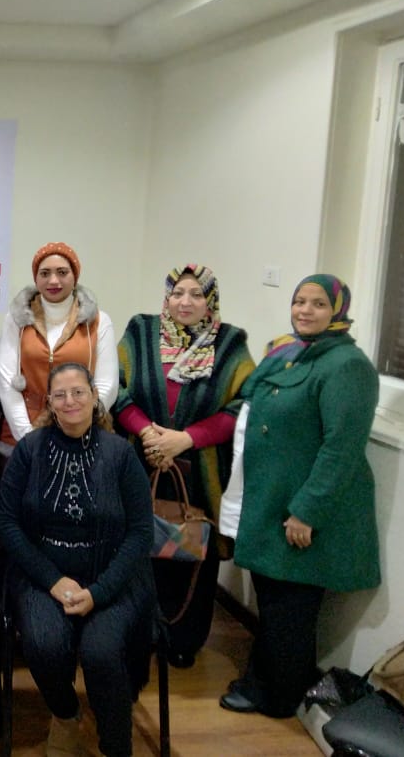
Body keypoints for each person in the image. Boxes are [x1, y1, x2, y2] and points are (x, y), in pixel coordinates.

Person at [218, 275, 380, 719]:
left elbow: (342, 448)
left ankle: (277, 697)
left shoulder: (347, 366)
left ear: (338, 311)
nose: (305, 310)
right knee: (275, 602)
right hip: (272, 501)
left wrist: (307, 511)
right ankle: (267, 682)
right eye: (299, 301)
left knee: (289, 608)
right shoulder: (289, 352)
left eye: (318, 304)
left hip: (303, 510)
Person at [0, 363, 154, 757]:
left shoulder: (121, 454)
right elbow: (7, 522)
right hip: (43, 576)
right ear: (49, 402)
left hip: (111, 577)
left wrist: (98, 592)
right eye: (60, 394)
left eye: (79, 392)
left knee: (102, 651)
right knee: (43, 644)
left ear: (95, 396)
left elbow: (140, 533)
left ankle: (116, 745)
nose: (70, 401)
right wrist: (52, 580)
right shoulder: (29, 450)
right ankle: (66, 715)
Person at [113, 264, 254, 667]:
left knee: (192, 549)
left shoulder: (230, 344)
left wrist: (186, 439)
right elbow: (115, 388)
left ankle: (183, 639)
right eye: (177, 293)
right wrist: (147, 433)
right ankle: (137, 631)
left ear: (210, 300)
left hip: (201, 468)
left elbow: (244, 403)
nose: (185, 302)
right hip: (142, 458)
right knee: (137, 545)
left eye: (196, 294)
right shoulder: (141, 333)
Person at [0, 242, 117, 449]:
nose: (53, 280)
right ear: (36, 278)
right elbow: (5, 381)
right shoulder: (16, 319)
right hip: (20, 436)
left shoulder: (98, 321)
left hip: (81, 434)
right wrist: (28, 437)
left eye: (62, 272)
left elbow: (107, 385)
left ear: (75, 276)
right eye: (45, 273)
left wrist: (77, 427)